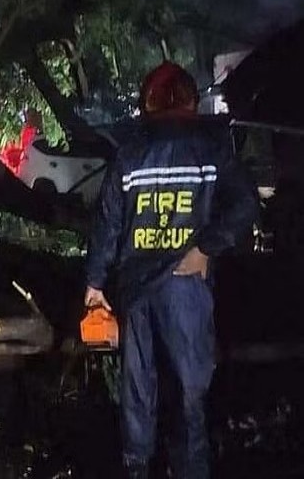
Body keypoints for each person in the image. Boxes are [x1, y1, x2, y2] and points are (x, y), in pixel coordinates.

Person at [83, 62, 259, 479]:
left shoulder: (130, 153)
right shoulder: (211, 147)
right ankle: (189, 469)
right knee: (188, 394)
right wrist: (204, 248)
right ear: (189, 99)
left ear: (148, 101)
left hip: (136, 291)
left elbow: (108, 223)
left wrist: (94, 284)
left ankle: (137, 468)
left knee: (138, 393)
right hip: (186, 292)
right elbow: (245, 204)